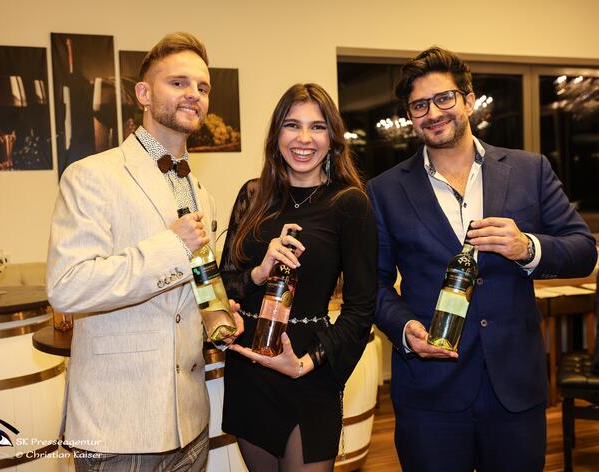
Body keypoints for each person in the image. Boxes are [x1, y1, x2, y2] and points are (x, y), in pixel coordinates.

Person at [367, 46, 598, 472]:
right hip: (429, 392)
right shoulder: (384, 190)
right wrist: (405, 330)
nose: (433, 113)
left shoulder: (530, 170)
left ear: (469, 100)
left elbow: (583, 251)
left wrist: (527, 247)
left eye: (444, 98)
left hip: (514, 389)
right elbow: (373, 286)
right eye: (419, 105)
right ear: (410, 115)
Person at [46, 32, 242, 472]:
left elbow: (197, 286)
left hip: (191, 424)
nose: (193, 93)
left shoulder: (202, 193)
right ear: (144, 94)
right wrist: (172, 246)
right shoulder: (90, 176)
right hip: (118, 426)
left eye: (203, 87)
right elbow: (67, 287)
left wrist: (218, 317)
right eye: (178, 82)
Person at [220, 83, 377, 472]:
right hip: (250, 370)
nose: (304, 138)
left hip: (309, 370)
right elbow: (224, 283)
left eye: (317, 127)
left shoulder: (349, 203)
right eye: (292, 125)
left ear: (332, 138)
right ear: (277, 134)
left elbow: (361, 308)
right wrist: (259, 272)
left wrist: (306, 364)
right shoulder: (252, 196)